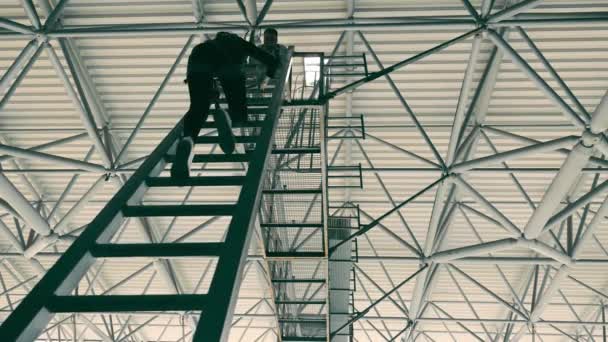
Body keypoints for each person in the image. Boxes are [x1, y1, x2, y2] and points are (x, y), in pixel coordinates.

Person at [171, 31, 279, 180]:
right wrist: (266, 80)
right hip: (229, 63)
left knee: (198, 107)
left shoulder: (207, 45)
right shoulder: (240, 43)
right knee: (239, 113)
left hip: (197, 59)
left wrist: (211, 87)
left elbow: (210, 65)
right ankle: (227, 118)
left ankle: (188, 140)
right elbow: (272, 61)